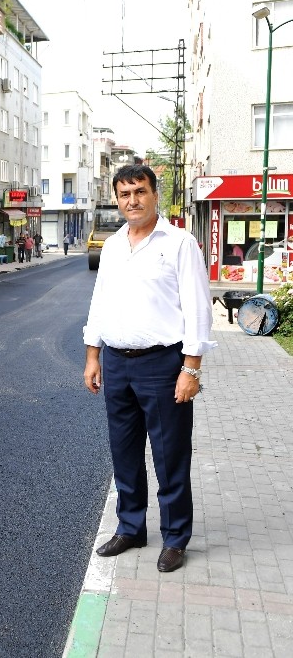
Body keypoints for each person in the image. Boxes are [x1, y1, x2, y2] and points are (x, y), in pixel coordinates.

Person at [83, 164, 216, 574]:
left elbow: (198, 307)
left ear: (155, 194)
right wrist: (93, 355)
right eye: (124, 194)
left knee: (169, 455)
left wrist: (190, 369)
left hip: (163, 364)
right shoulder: (112, 246)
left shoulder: (179, 243)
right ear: (117, 199)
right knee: (123, 453)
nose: (132, 201)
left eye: (139, 191)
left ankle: (175, 538)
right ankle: (131, 528)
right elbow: (99, 302)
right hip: (118, 366)